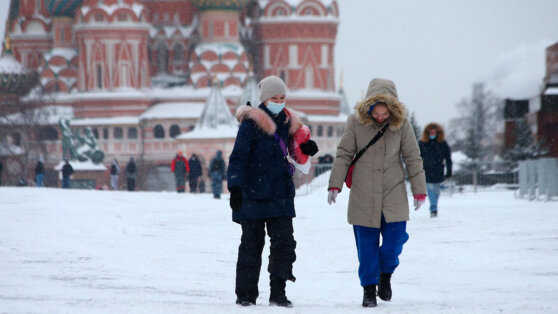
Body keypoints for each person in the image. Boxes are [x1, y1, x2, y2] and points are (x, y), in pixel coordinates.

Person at [327, 78, 426, 307]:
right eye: (376, 113)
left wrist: (419, 190)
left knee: (395, 240)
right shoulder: (355, 122)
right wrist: (335, 184)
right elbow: (343, 154)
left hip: (393, 191)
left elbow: (412, 156)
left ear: (393, 109)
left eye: (385, 113)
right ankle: (368, 290)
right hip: (363, 192)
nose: (380, 117)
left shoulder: (402, 124)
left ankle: (386, 274)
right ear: (368, 108)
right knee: (366, 246)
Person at [227, 75, 319, 307]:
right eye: (274, 98)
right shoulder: (251, 123)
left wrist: (308, 148)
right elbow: (238, 157)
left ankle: (278, 292)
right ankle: (246, 295)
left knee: (284, 244)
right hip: (252, 193)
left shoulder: (290, 122)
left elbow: (296, 150)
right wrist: (235, 187)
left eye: (282, 97)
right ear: (264, 100)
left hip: (280, 193)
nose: (279, 101)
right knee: (251, 244)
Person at [419, 123, 452, 218]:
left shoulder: (442, 143)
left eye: (434, 131)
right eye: (431, 131)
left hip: (438, 171)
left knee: (436, 191)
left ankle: (434, 206)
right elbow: (416, 157)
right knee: (430, 190)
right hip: (427, 171)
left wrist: (449, 171)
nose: (432, 133)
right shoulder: (422, 143)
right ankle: (433, 209)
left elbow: (448, 158)